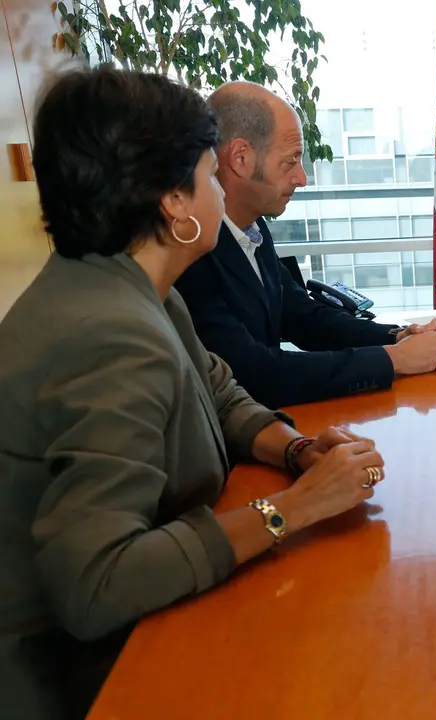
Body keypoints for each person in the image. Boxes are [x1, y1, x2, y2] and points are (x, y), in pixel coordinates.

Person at [0, 67, 388, 720]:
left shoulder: (127, 287)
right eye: (210, 175)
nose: (218, 190)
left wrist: (295, 451)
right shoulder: (110, 338)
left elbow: (220, 392)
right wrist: (291, 510)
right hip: (79, 677)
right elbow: (97, 584)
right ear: (172, 201)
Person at [174, 81, 436, 410]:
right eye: (290, 161)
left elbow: (302, 316)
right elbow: (256, 374)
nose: (302, 178)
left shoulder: (250, 228)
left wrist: (395, 337)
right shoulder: (191, 253)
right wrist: (393, 360)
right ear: (240, 157)